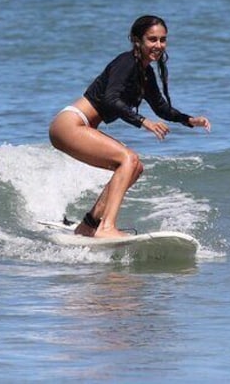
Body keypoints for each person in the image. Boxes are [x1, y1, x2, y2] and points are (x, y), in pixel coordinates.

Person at [48, 15, 211, 238]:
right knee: (128, 159)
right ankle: (106, 228)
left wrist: (189, 120)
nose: (158, 45)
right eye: (152, 39)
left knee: (135, 167)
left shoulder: (145, 72)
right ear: (137, 40)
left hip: (80, 127)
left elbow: (161, 108)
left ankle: (90, 224)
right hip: (71, 124)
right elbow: (110, 99)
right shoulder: (126, 62)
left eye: (163, 40)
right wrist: (143, 122)